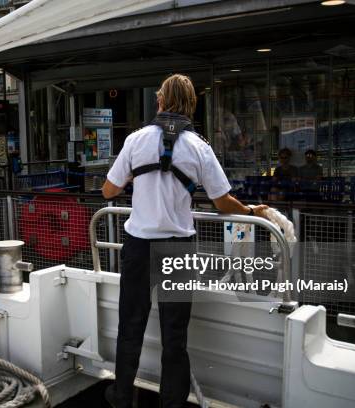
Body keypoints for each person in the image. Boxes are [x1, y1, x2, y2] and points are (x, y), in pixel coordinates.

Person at [101, 74, 268, 408]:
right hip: (178, 248)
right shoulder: (198, 147)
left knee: (130, 326)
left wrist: (137, 176)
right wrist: (252, 210)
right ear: (192, 104)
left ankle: (121, 397)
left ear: (160, 101)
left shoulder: (135, 140)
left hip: (138, 246)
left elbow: (109, 190)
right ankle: (172, 403)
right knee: (174, 336)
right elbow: (223, 203)